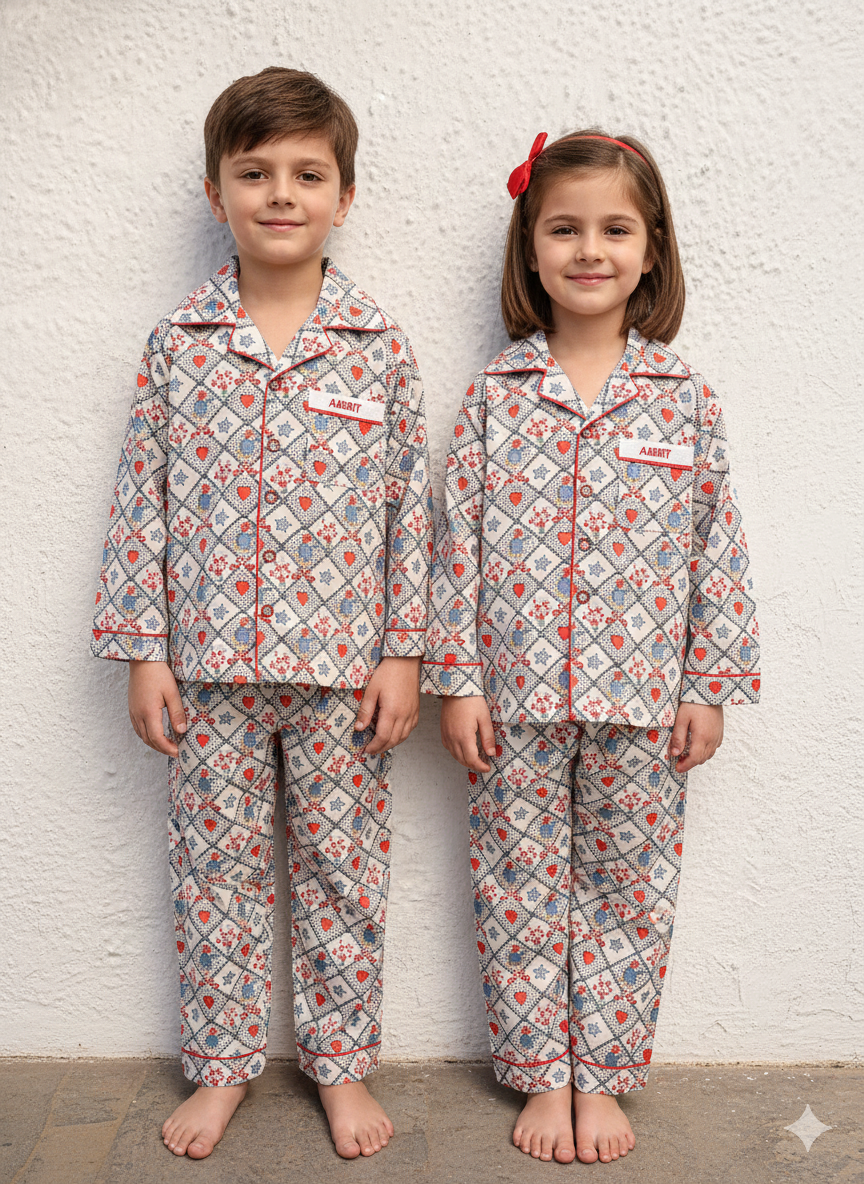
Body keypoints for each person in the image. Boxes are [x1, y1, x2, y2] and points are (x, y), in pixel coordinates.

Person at [91, 66, 432, 1161]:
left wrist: (404, 653)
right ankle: (225, 1063)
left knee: (342, 871)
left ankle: (341, 1064)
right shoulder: (178, 344)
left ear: (345, 196)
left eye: (307, 173)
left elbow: (409, 513)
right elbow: (142, 501)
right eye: (255, 172)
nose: (281, 193)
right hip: (207, 671)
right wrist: (144, 652)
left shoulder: (380, 347)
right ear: (215, 192)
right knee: (217, 872)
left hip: (344, 675)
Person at [422, 130, 760, 1165]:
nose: (589, 250)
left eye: (615, 229)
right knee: (517, 884)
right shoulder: (495, 395)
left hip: (646, 701)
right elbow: (454, 546)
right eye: (564, 229)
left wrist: (708, 683)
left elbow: (715, 546)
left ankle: (602, 1074)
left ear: (652, 250)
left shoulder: (684, 398)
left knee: (628, 887)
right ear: (530, 250)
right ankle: (542, 1071)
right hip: (513, 697)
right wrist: (458, 682)